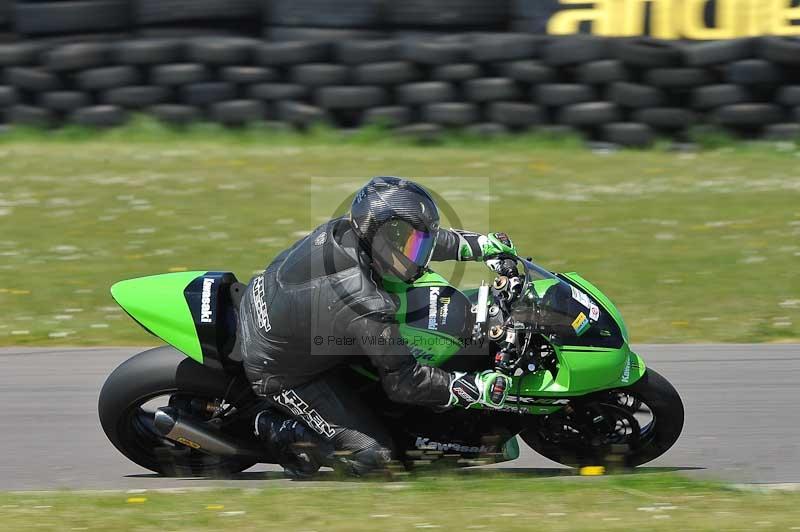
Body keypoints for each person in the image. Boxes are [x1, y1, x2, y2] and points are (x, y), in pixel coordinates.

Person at [237, 176, 517, 477]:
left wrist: (480, 246)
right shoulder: (363, 301)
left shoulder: (349, 232)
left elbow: (413, 244)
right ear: (383, 240)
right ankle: (273, 427)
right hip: (277, 370)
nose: (420, 257)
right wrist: (468, 388)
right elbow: (404, 383)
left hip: (276, 308)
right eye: (413, 246)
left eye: (419, 244)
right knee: (376, 458)